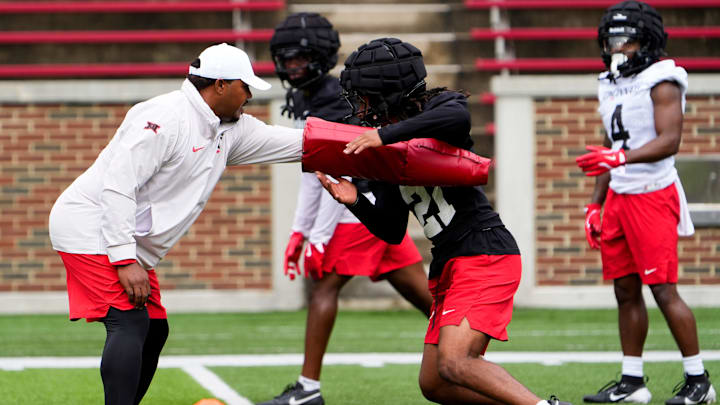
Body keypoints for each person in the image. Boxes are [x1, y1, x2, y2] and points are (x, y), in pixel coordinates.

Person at [316, 37, 570, 405]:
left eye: (366, 97)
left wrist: (384, 136)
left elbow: (456, 116)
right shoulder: (385, 151)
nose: (361, 107)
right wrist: (356, 202)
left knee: (456, 362)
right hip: (451, 262)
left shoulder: (438, 109)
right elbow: (392, 229)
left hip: (484, 253)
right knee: (435, 383)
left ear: (388, 92)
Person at [48, 43, 304, 405]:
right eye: (245, 86)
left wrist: (372, 139)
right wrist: (124, 259)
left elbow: (300, 143)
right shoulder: (165, 115)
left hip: (116, 234)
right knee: (130, 321)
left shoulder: (227, 127)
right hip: (90, 225)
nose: (250, 94)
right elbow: (119, 185)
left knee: (154, 328)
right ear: (219, 85)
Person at [259, 14, 432, 405]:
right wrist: (299, 232)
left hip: (360, 206)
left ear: (319, 57)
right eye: (285, 60)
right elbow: (311, 170)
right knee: (428, 300)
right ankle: (467, 357)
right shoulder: (309, 96)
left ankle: (308, 389)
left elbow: (332, 174)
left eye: (299, 59)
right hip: (372, 207)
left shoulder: (335, 98)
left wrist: (316, 237)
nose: (291, 67)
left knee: (324, 289)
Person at [576, 2, 716, 404]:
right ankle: (632, 382)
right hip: (620, 195)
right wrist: (594, 203)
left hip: (653, 194)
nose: (617, 46)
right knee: (624, 289)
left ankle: (699, 380)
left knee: (663, 289)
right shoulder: (609, 81)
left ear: (647, 39)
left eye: (626, 37)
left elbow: (669, 139)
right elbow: (609, 145)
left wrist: (620, 158)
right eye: (611, 38)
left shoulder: (663, 77)